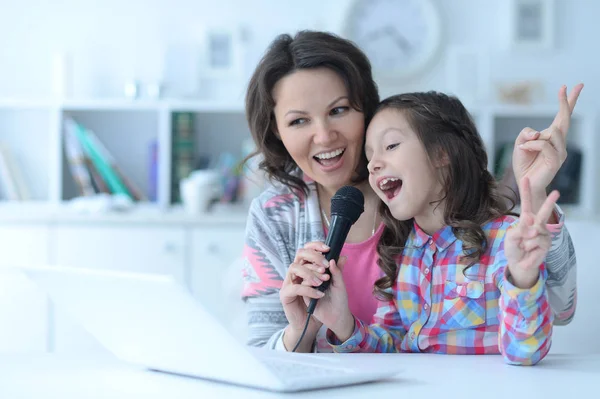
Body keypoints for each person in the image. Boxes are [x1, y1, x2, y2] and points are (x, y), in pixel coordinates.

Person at [241, 30, 580, 353]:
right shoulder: (274, 216)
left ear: (365, 109)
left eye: (339, 110)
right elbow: (261, 352)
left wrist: (536, 197)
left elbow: (559, 310)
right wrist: (308, 328)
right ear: (277, 130)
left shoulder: (433, 199)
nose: (325, 135)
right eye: (298, 121)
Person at [300, 91, 568, 365]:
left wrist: (523, 278)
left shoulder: (505, 239)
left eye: (390, 145)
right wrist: (342, 323)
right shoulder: (401, 253)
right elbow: (390, 347)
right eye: (369, 157)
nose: (374, 165)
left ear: (441, 153)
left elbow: (525, 353)